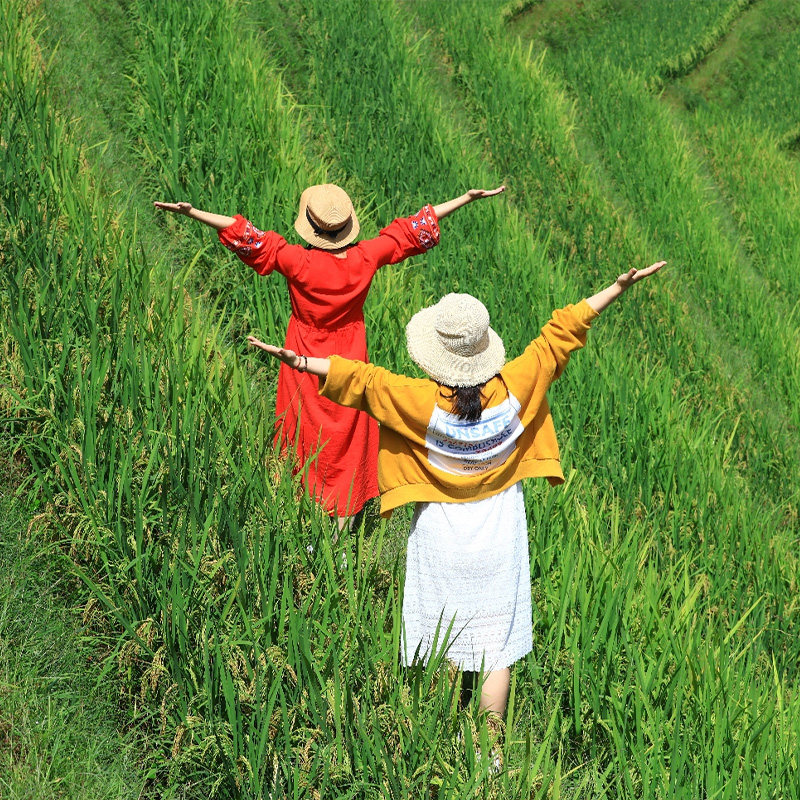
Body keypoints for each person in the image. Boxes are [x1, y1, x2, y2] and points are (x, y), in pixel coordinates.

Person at [247, 260, 665, 718]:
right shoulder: (516, 388)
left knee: (442, 637)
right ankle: (492, 744)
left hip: (441, 535)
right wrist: (616, 287)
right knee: (494, 649)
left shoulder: (419, 402)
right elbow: (559, 336)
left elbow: (364, 382)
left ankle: (441, 733)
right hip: (499, 533)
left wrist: (300, 360)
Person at [154, 184, 505, 528]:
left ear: (311, 227)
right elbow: (410, 230)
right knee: (348, 431)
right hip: (350, 353)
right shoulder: (365, 258)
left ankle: (301, 506)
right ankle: (343, 520)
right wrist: (464, 198)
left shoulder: (298, 261)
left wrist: (193, 212)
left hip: (303, 351)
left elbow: (247, 236)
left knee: (302, 427)